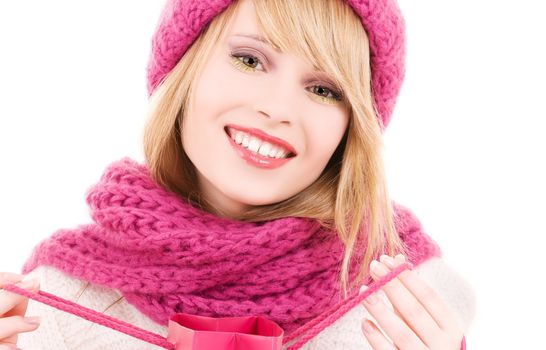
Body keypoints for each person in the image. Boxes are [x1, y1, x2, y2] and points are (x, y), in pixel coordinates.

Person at [0, 0, 475, 348]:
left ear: (352, 126)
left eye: (324, 88)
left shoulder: (410, 305)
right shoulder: (55, 303)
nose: (278, 108)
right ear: (184, 71)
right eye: (249, 60)